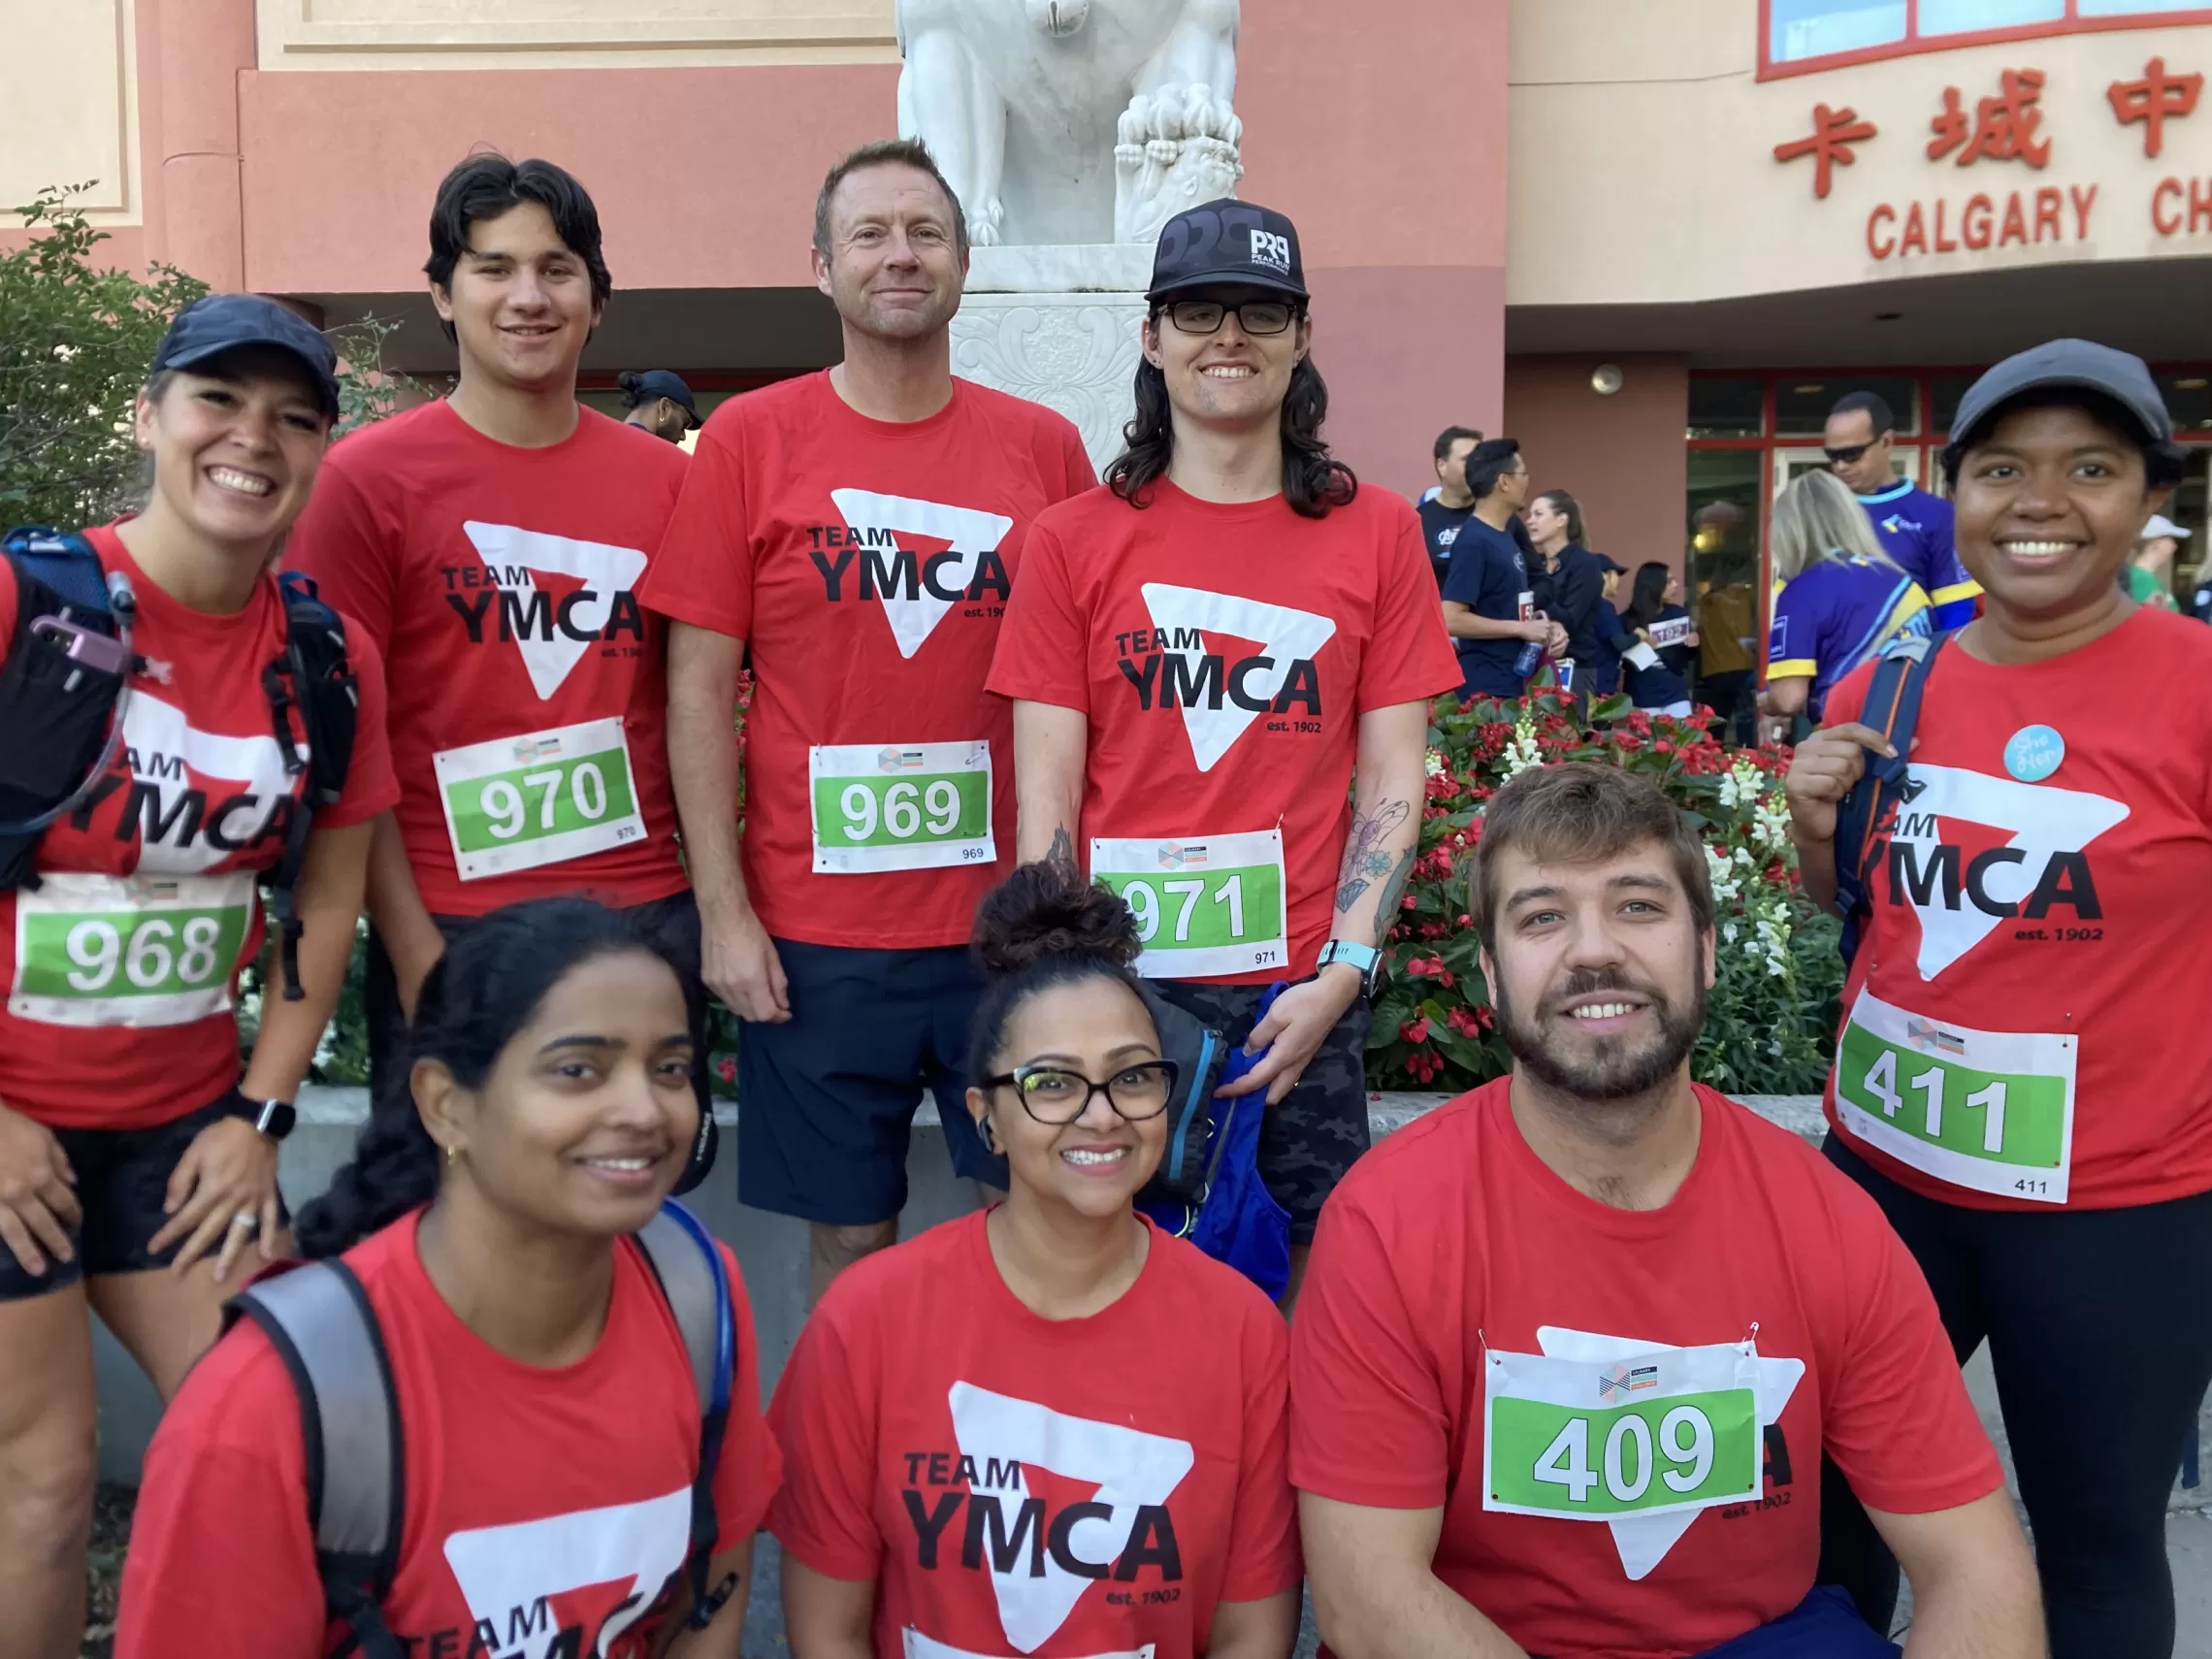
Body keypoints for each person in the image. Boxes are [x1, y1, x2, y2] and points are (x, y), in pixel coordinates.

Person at [1291, 761, 2044, 1659]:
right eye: (1542, 917)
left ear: (1708, 950)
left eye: (1639, 906)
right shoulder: (1387, 1222)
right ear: (1490, 973)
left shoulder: (1826, 1219)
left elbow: (1975, 1566)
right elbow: (1369, 1602)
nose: (1594, 950)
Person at [1787, 339, 2212, 1658]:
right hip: (1887, 1181)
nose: (2040, 501)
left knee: (2091, 1540)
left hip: (2117, 1215)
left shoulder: (2195, 689)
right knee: (1826, 1520)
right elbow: (1851, 900)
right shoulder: (1898, 678)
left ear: (2148, 498)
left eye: (2090, 468)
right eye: (2002, 470)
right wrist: (1806, 827)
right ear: (1954, 493)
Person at [0, 295, 399, 1658]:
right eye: (218, 401)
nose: (254, 439)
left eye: (294, 416)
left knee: (286, 1445)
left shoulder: (325, 656)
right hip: (10, 1130)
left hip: (182, 1131)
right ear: (150, 416)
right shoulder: (25, 604)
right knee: (46, 1489)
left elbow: (326, 899)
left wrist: (260, 1115)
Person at [642, 140, 1094, 1303]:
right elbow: (696, 689)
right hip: (815, 941)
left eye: (925, 232)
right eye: (870, 235)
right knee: (851, 1241)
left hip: (1008, 928)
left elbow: (1083, 687)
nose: (900, 255)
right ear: (822, 267)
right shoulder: (748, 439)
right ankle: (854, 1475)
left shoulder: (1042, 448)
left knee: (1035, 1219)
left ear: (961, 260)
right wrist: (724, 913)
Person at [992, 198, 1459, 1310]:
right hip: (1121, 992)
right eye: (1198, 310)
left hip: (1300, 993)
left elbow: (1394, 774)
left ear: (1302, 335)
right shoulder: (1071, 540)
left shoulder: (1377, 530)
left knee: (1313, 1288)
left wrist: (1346, 971)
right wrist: (1070, 989)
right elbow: (1046, 788)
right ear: (1151, 337)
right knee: (1108, 1281)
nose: (1230, 336)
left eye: (1262, 310)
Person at [116, 898, 778, 1656]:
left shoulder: (698, 1296)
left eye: (670, 1069)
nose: (644, 1109)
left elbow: (707, 1609)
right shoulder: (269, 1403)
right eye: (577, 1070)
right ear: (444, 1105)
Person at [769, 862, 1300, 1659]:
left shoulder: (1243, 1335)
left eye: (1131, 1076)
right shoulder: (868, 1320)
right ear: (986, 1117)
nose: (1101, 1114)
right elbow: (827, 1632)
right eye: (1053, 1084)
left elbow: (1250, 1636)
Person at [285, 154, 708, 1142]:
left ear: (597, 300)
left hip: (636, 917)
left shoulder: (674, 484)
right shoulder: (364, 483)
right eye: (493, 268)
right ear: (443, 291)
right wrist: (413, 950)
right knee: (445, 1237)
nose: (528, 296)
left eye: (557, 269)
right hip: (448, 921)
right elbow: (349, 748)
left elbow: (699, 704)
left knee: (622, 1219)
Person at [1763, 470, 1932, 736]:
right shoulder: (1904, 583)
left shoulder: (1801, 590)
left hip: (1845, 742)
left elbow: (1788, 698)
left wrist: (1763, 702)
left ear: (1789, 531)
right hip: (1918, 733)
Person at [1825, 390, 1979, 632]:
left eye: (1851, 454)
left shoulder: (1936, 516)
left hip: (1905, 664)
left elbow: (1957, 612)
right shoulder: (1817, 517)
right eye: (1833, 456)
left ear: (1887, 441)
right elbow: (1790, 612)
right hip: (1830, 667)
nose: (1841, 466)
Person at [1442, 439, 1567, 701]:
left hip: (1511, 681)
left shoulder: (1505, 534)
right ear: (1504, 482)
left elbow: (1505, 605)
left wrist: (1541, 625)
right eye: (1523, 474)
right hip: (1486, 691)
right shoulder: (1474, 541)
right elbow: (1450, 618)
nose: (1527, 482)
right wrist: (1520, 629)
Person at [1525, 488, 1606, 702]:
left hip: (1574, 667)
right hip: (1535, 665)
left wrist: (1539, 601)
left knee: (1566, 734)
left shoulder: (1585, 563)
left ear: (1561, 519)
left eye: (1538, 514)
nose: (1530, 521)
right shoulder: (1535, 563)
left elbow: (1571, 617)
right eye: (1530, 515)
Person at [1608, 561, 1699, 717]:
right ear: (1655, 585)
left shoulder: (1678, 614)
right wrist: (1640, 644)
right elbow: (1619, 661)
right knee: (1645, 741)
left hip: (1675, 694)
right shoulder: (1627, 620)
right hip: (1641, 696)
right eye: (1669, 581)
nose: (1676, 585)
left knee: (1683, 740)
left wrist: (1693, 644)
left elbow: (1684, 660)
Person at [1419, 424, 1483, 587]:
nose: (1476, 466)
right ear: (1442, 466)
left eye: (1480, 460)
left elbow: (1532, 575)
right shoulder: (1416, 521)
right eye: (1467, 459)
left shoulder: (1500, 516)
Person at [2123, 511, 2187, 610]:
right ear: (2155, 543)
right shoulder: (2141, 580)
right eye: (2169, 538)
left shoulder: (2148, 578)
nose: (2174, 545)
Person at [621, 369, 706, 443]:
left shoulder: (611, 443)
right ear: (664, 408)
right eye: (685, 424)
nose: (682, 437)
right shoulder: (656, 456)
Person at [1585, 553, 1628, 699]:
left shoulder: (1582, 605)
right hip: (1600, 684)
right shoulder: (1604, 607)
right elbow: (1621, 643)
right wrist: (1639, 636)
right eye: (1615, 575)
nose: (1618, 581)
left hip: (1584, 681)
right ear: (1604, 576)